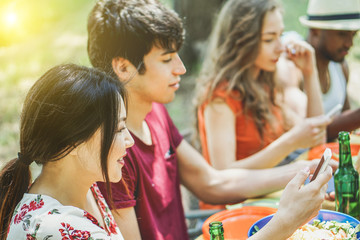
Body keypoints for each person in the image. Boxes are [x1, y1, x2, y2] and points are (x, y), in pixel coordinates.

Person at [87, 0, 334, 239]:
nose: (181, 68)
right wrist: (286, 220)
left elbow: (211, 181)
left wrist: (302, 172)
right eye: (166, 59)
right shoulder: (112, 152)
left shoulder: (155, 112)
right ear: (123, 68)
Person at [194, 0, 329, 178]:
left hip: (267, 192)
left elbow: (318, 138)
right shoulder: (220, 96)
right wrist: (290, 142)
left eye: (280, 36)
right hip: (237, 203)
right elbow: (223, 172)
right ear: (241, 41)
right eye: (269, 39)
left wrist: (309, 73)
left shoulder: (265, 80)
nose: (280, 47)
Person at [0, 64, 134, 239]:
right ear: (72, 142)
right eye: (118, 129)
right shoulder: (58, 229)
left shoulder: (84, 187)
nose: (129, 141)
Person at [279, 0, 360, 141]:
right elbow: (310, 131)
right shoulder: (292, 66)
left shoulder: (341, 66)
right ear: (316, 30)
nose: (349, 43)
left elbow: (345, 133)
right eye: (342, 34)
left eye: (353, 35)